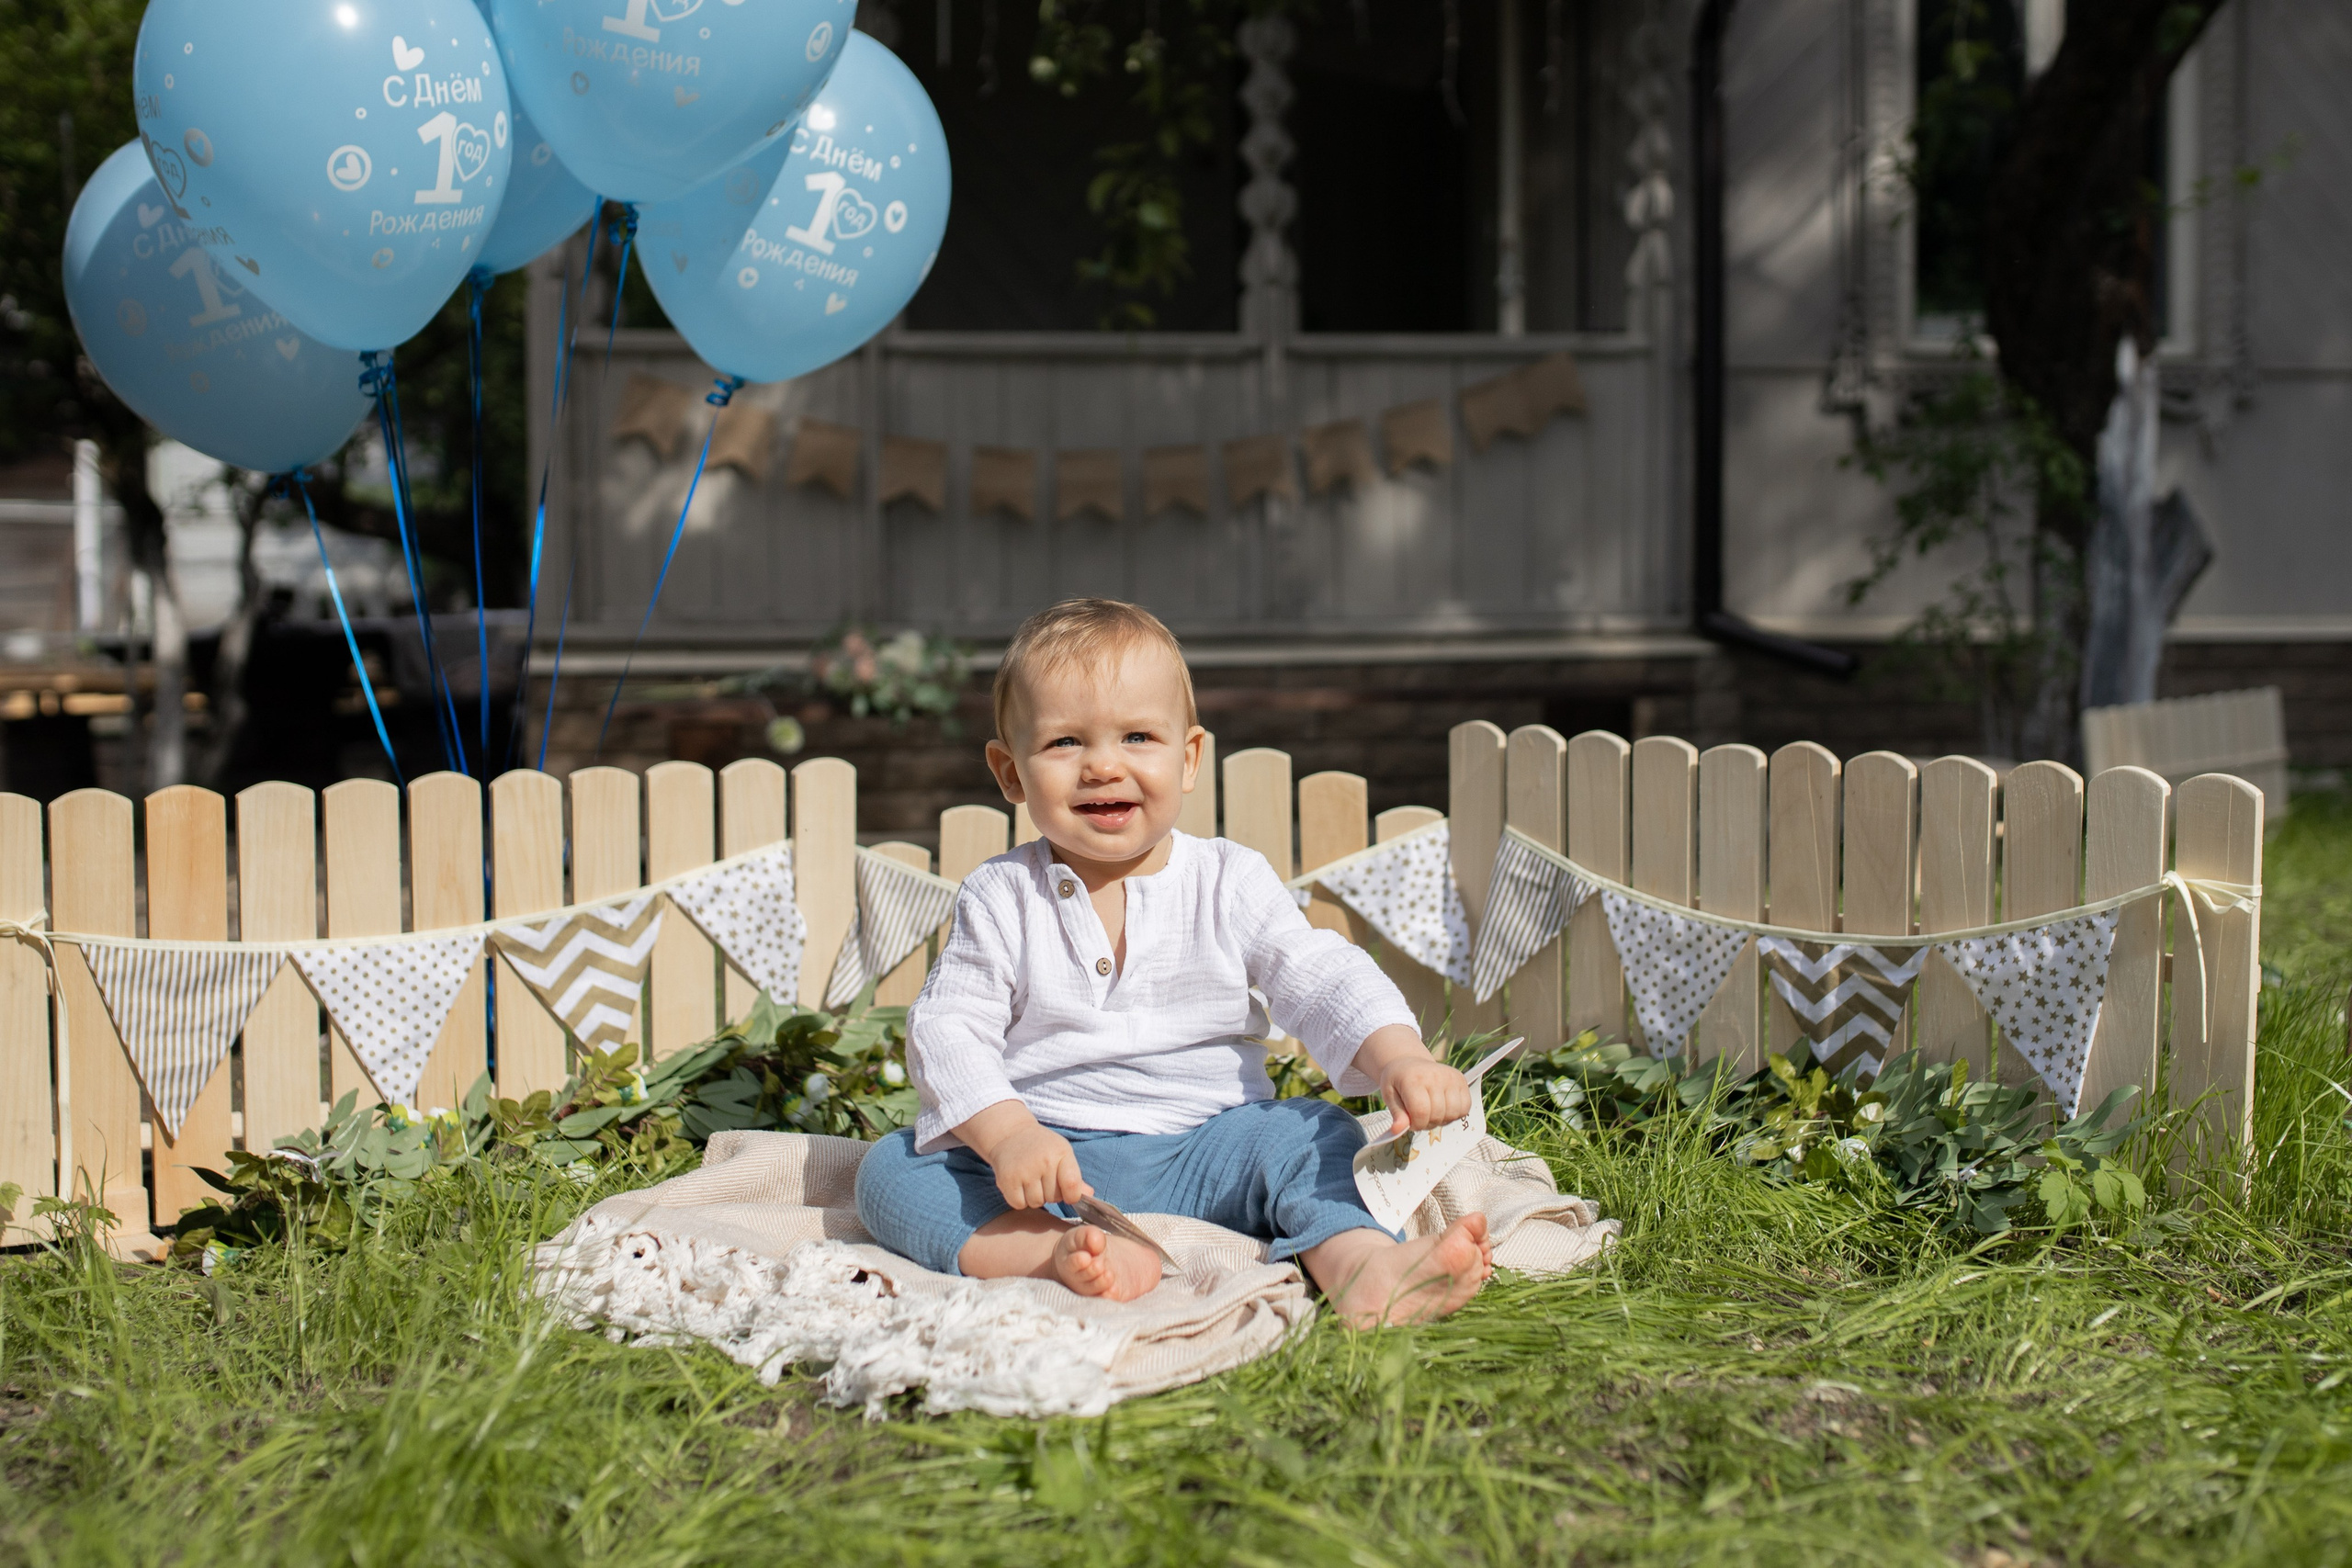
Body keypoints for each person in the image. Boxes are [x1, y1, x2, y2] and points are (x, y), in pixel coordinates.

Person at [854, 598, 1494, 1326]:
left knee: (1312, 1134)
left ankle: (1362, 1265)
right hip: (1048, 1162)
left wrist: (1397, 1058)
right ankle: (1056, 1251)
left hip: (1210, 1144)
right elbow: (950, 1027)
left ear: (1188, 757)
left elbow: (1319, 975)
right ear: (1010, 772)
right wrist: (1008, 1135)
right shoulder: (1002, 894)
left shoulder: (1228, 879)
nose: (1102, 764)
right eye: (1065, 741)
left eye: (1136, 735)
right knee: (892, 1171)